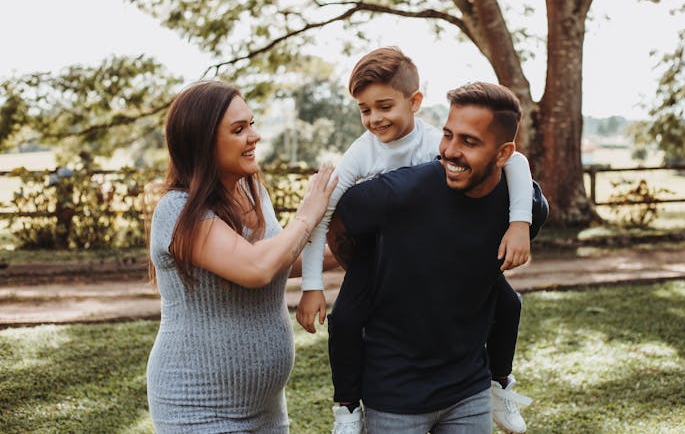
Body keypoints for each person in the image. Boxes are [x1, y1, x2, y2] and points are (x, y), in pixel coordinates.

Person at [295, 47, 536, 432]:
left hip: (437, 254)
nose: (374, 119)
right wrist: (311, 286)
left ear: (415, 101)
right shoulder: (360, 154)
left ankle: (499, 382)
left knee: (508, 301)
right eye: (364, 109)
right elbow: (321, 216)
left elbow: (517, 162)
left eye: (384, 106)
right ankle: (346, 407)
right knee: (345, 318)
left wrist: (519, 222)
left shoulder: (435, 142)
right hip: (378, 255)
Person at [146, 79, 339, 433]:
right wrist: (307, 216)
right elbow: (256, 267)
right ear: (203, 143)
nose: (254, 136)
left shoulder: (252, 191)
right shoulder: (177, 210)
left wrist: (345, 250)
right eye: (239, 129)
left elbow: (280, 258)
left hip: (266, 412)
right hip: (197, 410)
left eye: (251, 123)